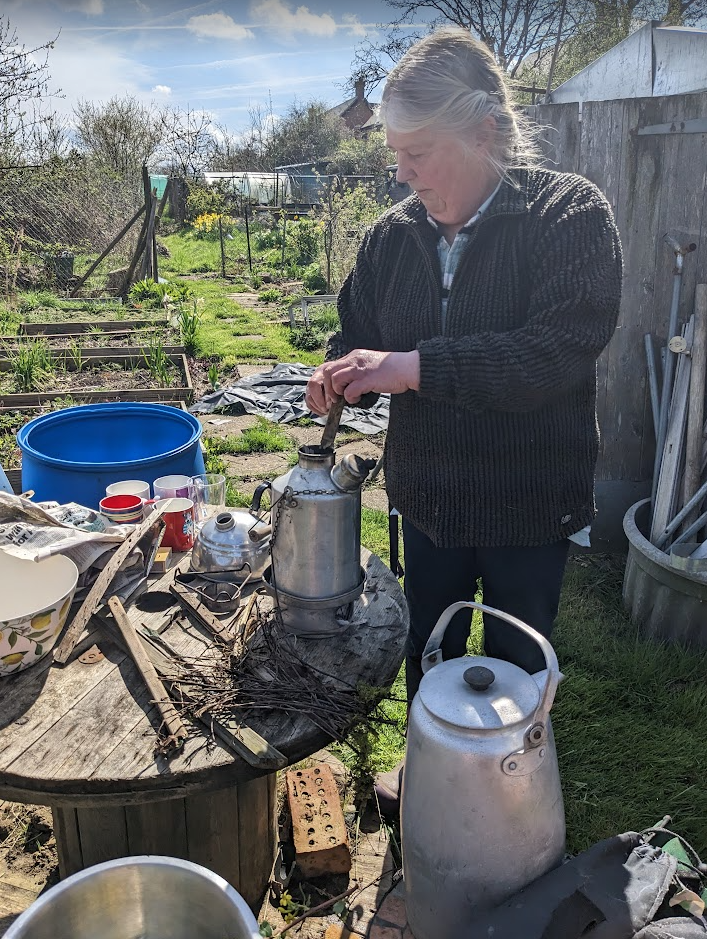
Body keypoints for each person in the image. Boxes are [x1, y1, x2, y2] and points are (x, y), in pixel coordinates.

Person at [305, 27, 622, 808]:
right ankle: (430, 774)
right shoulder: (391, 236)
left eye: (419, 151)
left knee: (516, 660)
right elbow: (359, 331)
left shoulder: (567, 216)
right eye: (395, 153)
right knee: (430, 644)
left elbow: (555, 350)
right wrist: (345, 370)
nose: (402, 173)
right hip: (429, 496)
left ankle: (511, 802)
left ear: (483, 131)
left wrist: (413, 367)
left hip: (527, 498)